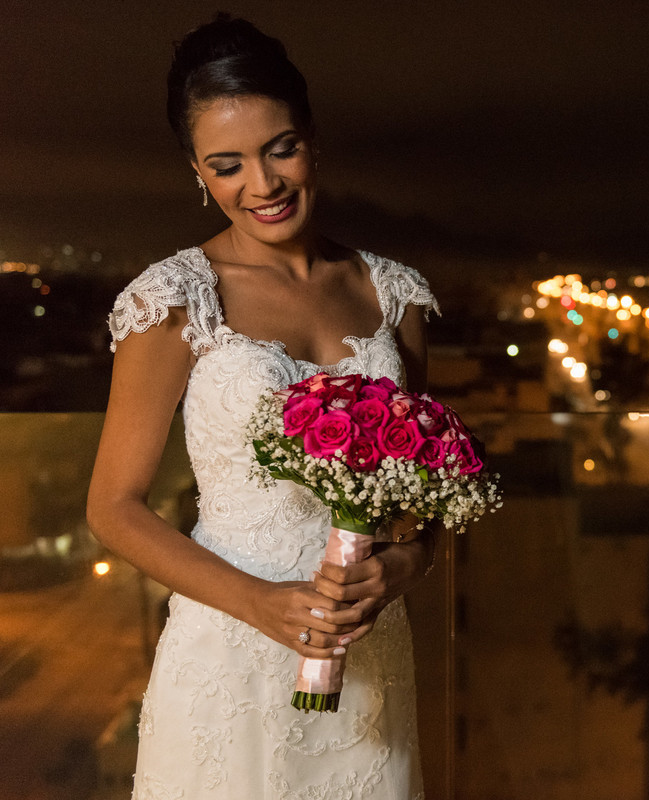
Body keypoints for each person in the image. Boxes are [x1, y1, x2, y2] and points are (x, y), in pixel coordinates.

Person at [87, 14, 436, 799]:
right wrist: (260, 604)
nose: (263, 184)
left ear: (312, 137)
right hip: (228, 657)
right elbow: (113, 508)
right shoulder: (175, 299)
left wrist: (404, 565)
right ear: (198, 172)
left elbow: (425, 495)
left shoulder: (394, 293)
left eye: (281, 148)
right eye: (228, 164)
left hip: (370, 653)